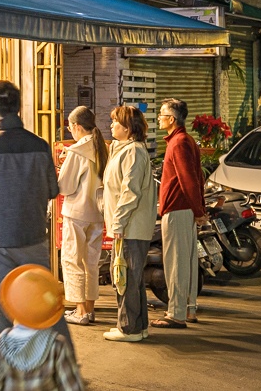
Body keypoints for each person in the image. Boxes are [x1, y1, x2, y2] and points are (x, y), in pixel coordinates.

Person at [0, 80, 61, 340]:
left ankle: (3, 375)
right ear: (18, 108)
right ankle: (39, 369)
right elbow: (53, 190)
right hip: (34, 239)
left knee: (1, 308)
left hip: (0, 241)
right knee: (39, 306)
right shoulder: (40, 145)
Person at [0, 264, 85, 391]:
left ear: (12, 309)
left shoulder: (0, 346)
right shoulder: (57, 346)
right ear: (51, 313)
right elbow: (72, 387)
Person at [101, 105, 156, 342]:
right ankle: (137, 326)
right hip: (129, 225)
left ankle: (129, 328)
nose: (111, 125)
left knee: (125, 277)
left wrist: (118, 223)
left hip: (130, 226)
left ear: (128, 128)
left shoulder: (133, 152)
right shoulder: (125, 149)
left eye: (115, 122)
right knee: (132, 277)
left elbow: (130, 192)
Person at [152, 98, 207, 329]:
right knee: (186, 261)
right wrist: (198, 210)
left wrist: (198, 210)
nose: (158, 118)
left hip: (178, 209)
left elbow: (188, 180)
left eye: (161, 115)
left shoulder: (179, 143)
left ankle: (175, 313)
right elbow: (197, 178)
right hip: (184, 209)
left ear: (171, 119)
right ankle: (189, 309)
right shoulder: (185, 140)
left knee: (175, 263)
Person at [58, 106, 108, 326]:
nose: (70, 132)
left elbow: (66, 187)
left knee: (72, 260)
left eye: (70, 128)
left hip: (77, 213)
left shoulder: (76, 151)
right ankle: (90, 308)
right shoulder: (103, 148)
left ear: (77, 126)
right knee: (91, 262)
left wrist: (59, 169)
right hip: (97, 214)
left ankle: (79, 311)